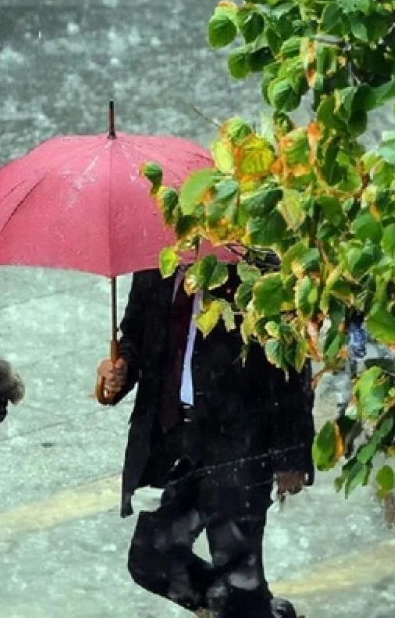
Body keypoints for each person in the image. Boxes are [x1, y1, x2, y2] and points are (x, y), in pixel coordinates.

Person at [96, 263, 315, 618]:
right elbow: (136, 332)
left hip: (240, 443)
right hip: (178, 440)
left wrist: (292, 453)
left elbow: (290, 363)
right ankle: (253, 612)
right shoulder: (156, 261)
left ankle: (247, 609)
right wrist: (121, 369)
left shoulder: (248, 261)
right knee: (151, 556)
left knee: (237, 568)